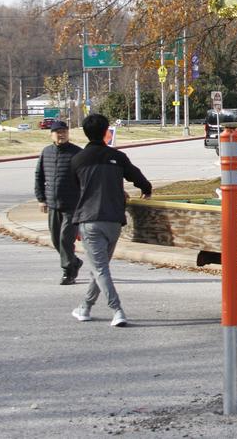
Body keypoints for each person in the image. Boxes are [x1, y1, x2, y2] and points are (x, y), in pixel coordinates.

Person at [70, 114, 152, 327]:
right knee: (100, 267)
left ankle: (117, 310)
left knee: (100, 268)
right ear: (106, 131)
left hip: (90, 220)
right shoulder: (117, 157)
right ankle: (85, 307)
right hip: (114, 220)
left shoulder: (78, 159)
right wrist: (145, 189)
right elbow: (139, 178)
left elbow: (71, 191)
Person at [33, 119, 83, 285]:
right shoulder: (46, 152)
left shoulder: (77, 153)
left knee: (65, 239)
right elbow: (39, 176)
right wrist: (41, 199)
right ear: (51, 135)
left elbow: (85, 179)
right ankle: (74, 261)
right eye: (57, 132)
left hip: (72, 205)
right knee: (56, 239)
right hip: (53, 204)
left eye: (64, 131)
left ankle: (68, 271)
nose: (61, 134)